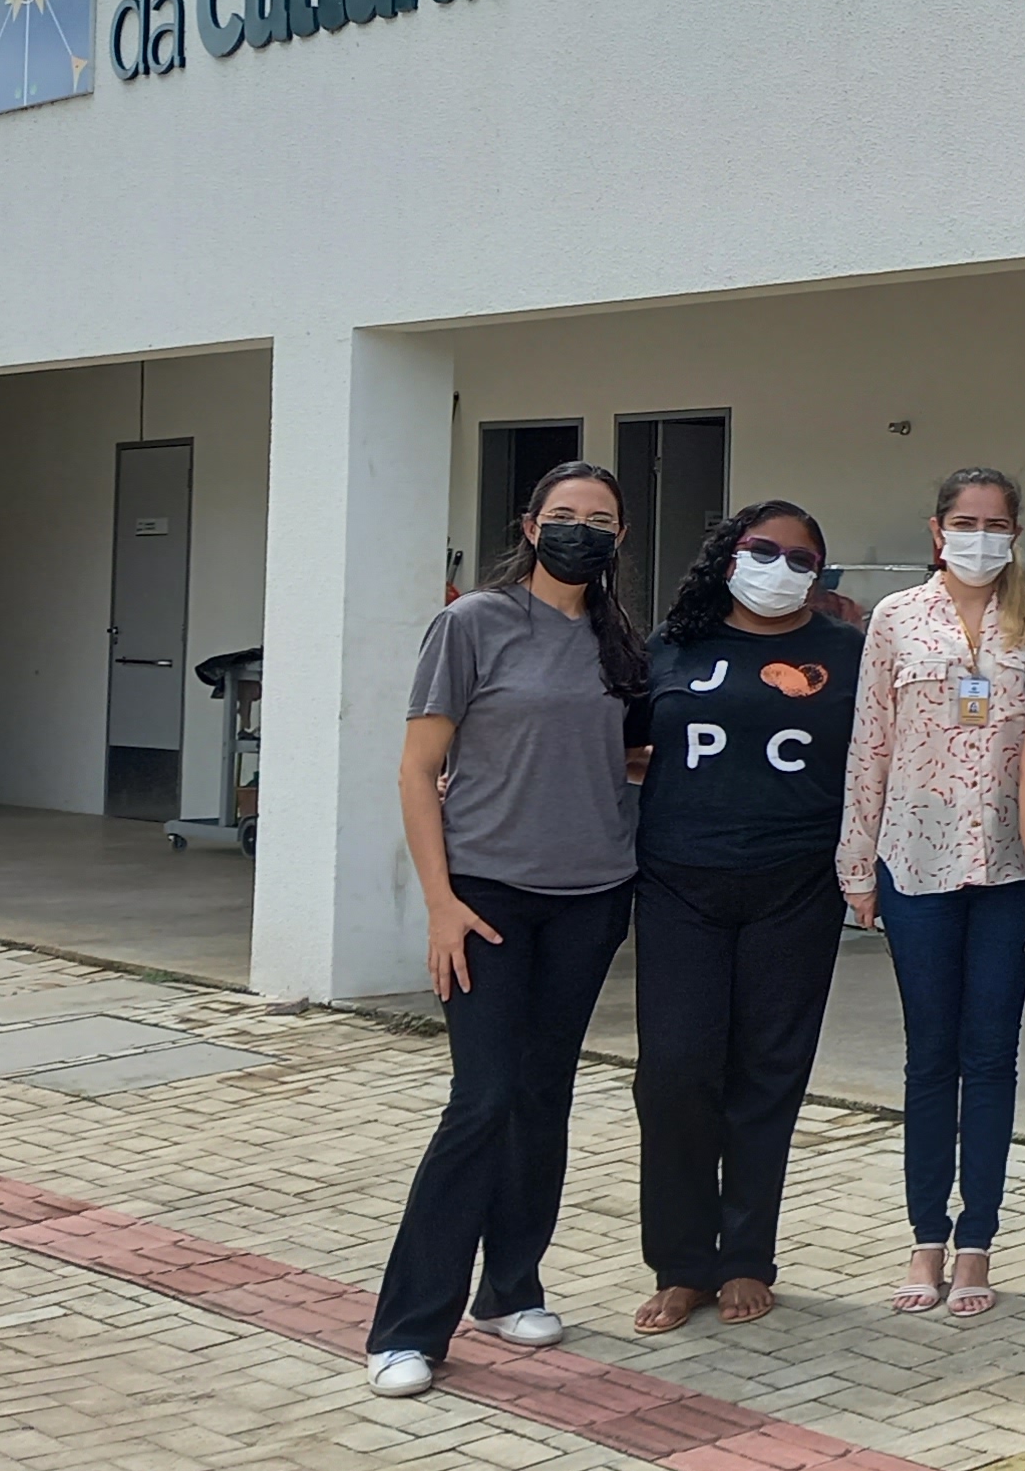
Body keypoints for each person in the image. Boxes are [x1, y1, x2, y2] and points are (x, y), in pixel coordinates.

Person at [367, 460, 646, 1398]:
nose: (581, 530)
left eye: (599, 519)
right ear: (530, 527)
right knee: (480, 1102)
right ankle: (410, 1325)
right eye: (563, 515)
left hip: (592, 896)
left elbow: (627, 758)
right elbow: (418, 769)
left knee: (544, 1096)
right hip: (485, 898)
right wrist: (440, 902)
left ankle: (511, 1284)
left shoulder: (619, 641)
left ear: (619, 537)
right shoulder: (471, 624)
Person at [630, 501, 864, 1336]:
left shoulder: (849, 653)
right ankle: (680, 1262)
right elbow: (613, 742)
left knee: (768, 1074)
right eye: (763, 549)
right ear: (727, 554)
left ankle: (743, 1258)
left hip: (795, 887)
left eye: (802, 558)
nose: (780, 566)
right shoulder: (671, 645)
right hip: (678, 886)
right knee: (677, 1072)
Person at [839, 467, 1025, 1322]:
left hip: (1012, 868)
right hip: (917, 867)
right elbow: (871, 744)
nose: (980, 536)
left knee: (993, 1057)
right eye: (965, 522)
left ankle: (979, 1242)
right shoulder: (896, 619)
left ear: (1015, 530)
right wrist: (857, 869)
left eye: (995, 522)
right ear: (938, 531)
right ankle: (925, 1234)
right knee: (930, 1057)